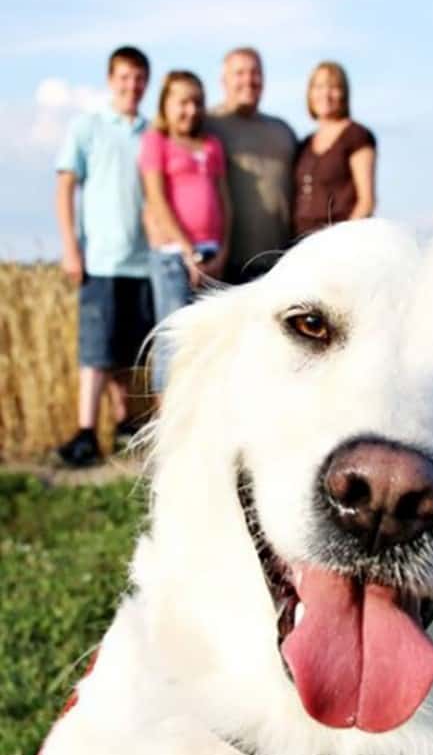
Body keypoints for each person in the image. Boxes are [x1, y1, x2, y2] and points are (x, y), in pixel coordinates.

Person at [55, 46, 154, 467]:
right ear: (111, 80)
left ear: (146, 83)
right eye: (124, 77)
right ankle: (86, 433)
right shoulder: (87, 127)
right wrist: (70, 246)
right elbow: (65, 187)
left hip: (145, 259)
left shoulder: (153, 132)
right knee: (96, 352)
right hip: (100, 259)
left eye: (138, 78)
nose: (131, 86)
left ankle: (125, 424)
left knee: (129, 353)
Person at [139, 70, 231, 392]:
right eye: (182, 102)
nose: (190, 110)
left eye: (197, 102)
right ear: (165, 104)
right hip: (173, 256)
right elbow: (157, 198)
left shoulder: (211, 145)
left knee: (207, 339)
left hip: (210, 253)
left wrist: (224, 249)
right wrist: (186, 249)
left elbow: (224, 199)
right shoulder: (156, 142)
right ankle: (165, 420)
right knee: (173, 336)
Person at [205, 47, 296, 282]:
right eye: (240, 73)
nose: (249, 80)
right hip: (222, 264)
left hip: (277, 263)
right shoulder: (207, 126)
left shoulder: (282, 131)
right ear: (223, 81)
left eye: (255, 73)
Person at [292, 61, 376, 239]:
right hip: (301, 242)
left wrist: (341, 242)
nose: (325, 94)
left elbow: (366, 201)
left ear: (344, 93)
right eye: (319, 87)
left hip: (338, 243)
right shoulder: (305, 144)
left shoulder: (356, 136)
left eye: (333, 87)